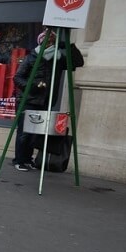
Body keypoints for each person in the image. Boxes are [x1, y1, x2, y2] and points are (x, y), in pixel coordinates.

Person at [12, 27, 84, 171]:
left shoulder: (58, 59)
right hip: (28, 101)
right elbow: (17, 77)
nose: (49, 43)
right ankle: (19, 159)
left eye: (51, 41)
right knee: (24, 133)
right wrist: (34, 85)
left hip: (46, 101)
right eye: (46, 40)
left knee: (36, 134)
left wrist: (68, 45)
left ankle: (28, 159)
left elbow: (77, 62)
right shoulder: (31, 57)